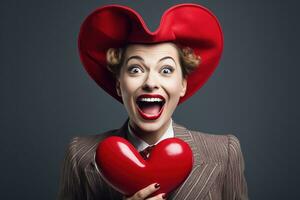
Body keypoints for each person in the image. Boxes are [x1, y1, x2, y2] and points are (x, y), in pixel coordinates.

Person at [58, 3, 248, 200]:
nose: (150, 82)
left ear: (183, 84)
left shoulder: (224, 153)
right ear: (118, 84)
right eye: (136, 69)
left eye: (166, 70)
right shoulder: (79, 155)